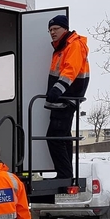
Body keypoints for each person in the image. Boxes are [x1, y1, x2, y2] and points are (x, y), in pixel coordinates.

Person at [44, 14, 90, 179]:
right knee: (62, 136)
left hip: (66, 98)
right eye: (50, 30)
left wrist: (57, 90)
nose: (52, 32)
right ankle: (65, 173)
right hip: (62, 99)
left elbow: (70, 70)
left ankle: (64, 174)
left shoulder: (73, 45)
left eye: (56, 29)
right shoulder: (61, 48)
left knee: (55, 137)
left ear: (65, 29)